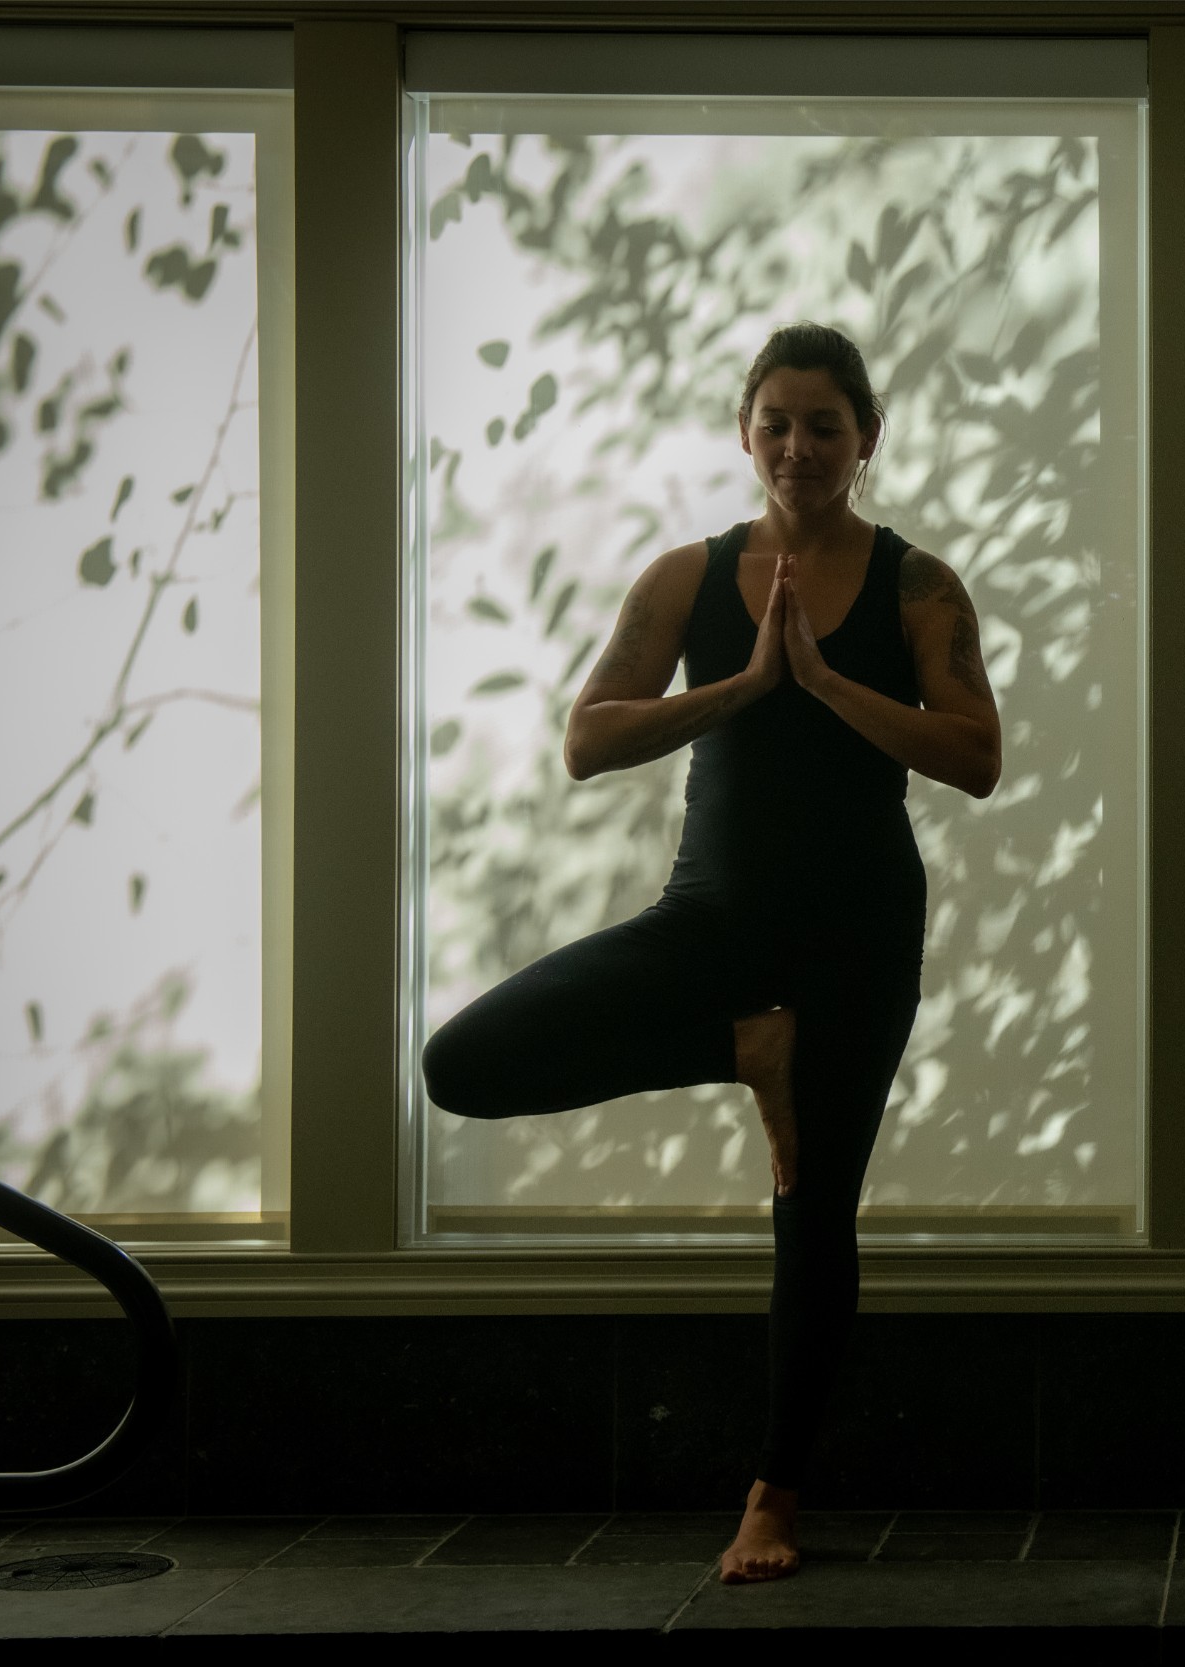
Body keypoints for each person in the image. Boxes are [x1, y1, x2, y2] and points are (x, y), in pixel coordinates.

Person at [422, 323, 1000, 1583]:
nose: (799, 447)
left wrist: (824, 684)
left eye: (826, 425)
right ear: (746, 435)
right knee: (464, 1059)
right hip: (713, 916)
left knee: (814, 1214)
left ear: (866, 440)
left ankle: (770, 1502)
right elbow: (587, 738)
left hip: (859, 930)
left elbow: (976, 757)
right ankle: (750, 1044)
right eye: (777, 423)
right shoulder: (686, 574)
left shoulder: (918, 584)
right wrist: (741, 687)